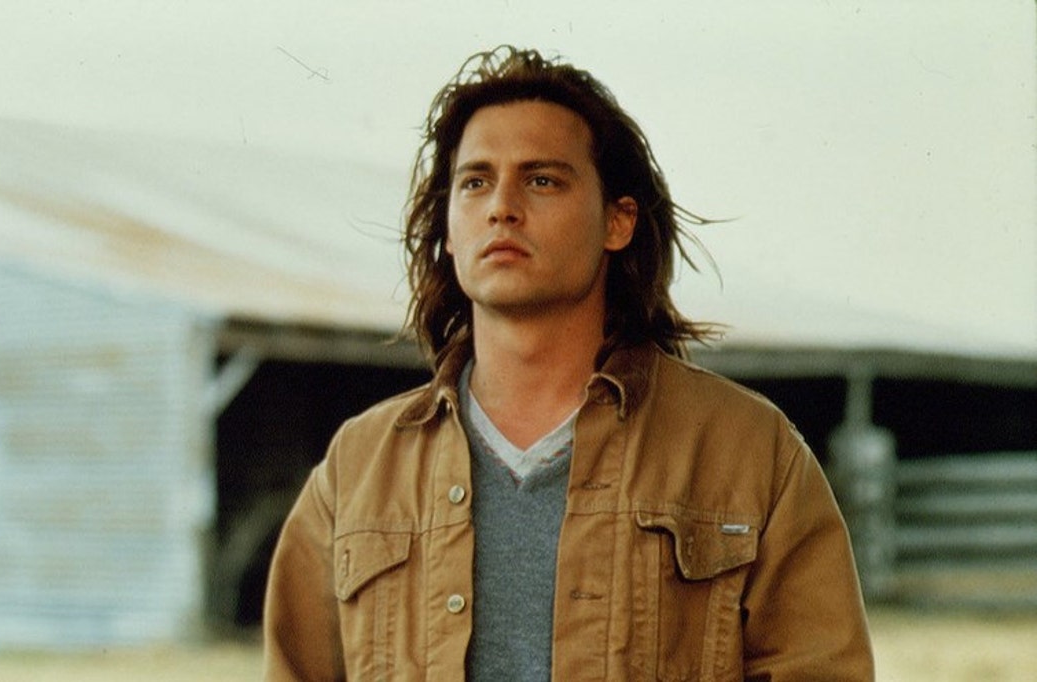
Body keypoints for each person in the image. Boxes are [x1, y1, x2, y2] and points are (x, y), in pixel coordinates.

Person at [262, 46, 874, 681]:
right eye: (475, 182)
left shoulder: (748, 451)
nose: (502, 206)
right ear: (447, 229)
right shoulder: (358, 469)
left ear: (618, 221)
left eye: (542, 180)